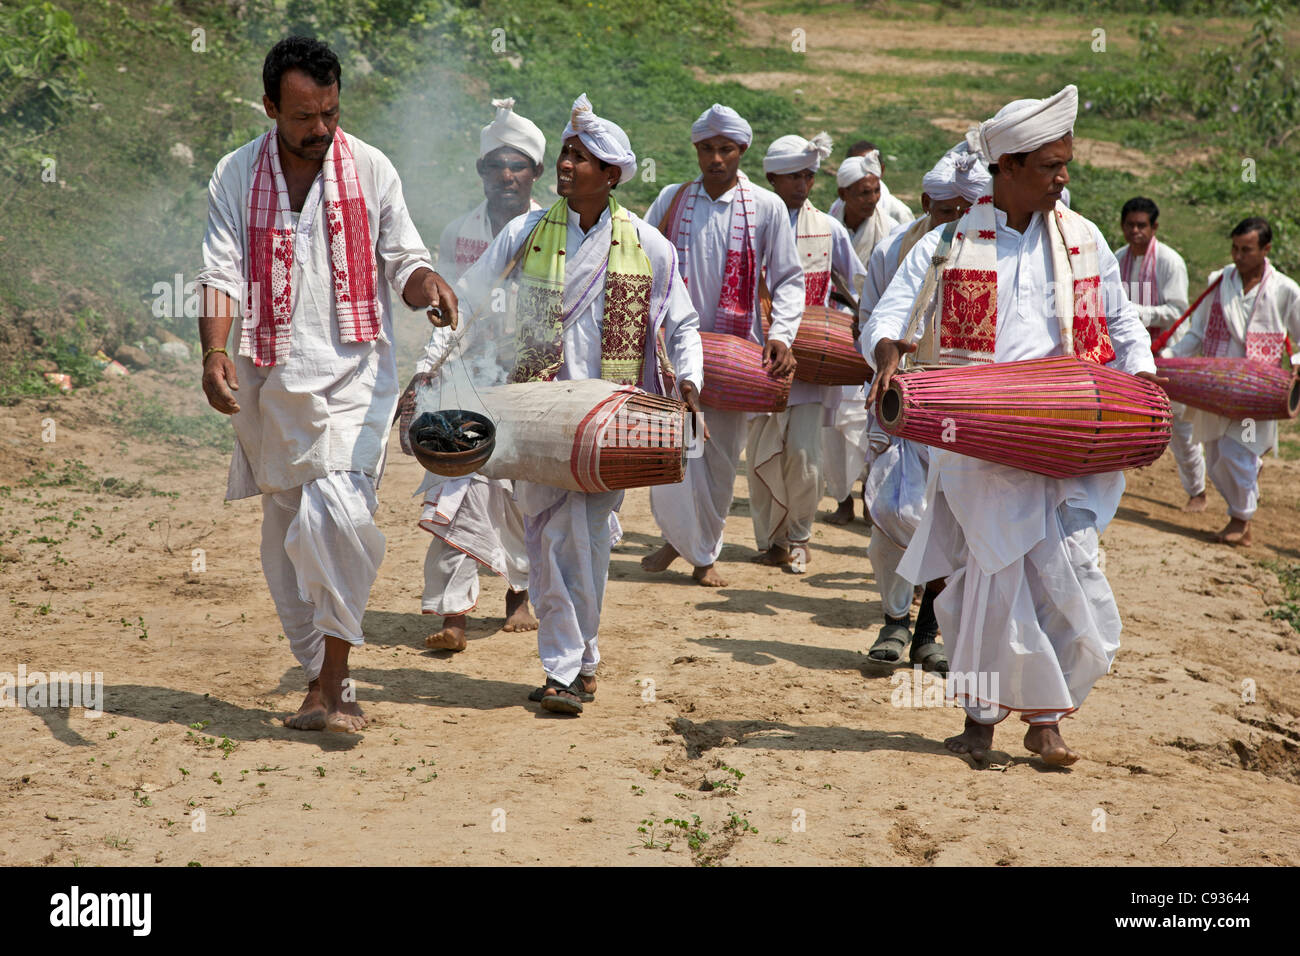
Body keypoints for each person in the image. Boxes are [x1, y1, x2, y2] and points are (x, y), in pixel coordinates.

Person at [866, 85, 1160, 766]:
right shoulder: (945, 245)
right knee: (983, 580)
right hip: (978, 441)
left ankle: (1047, 716)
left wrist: (1140, 374)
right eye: (1051, 166)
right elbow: (891, 313)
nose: (1064, 178)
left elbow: (1119, 322)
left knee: (1071, 570)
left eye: (1066, 164)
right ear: (1008, 168)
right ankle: (982, 719)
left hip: (1068, 439)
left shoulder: (1084, 238)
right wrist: (885, 351)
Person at [196, 36, 452, 732]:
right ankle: (318, 673)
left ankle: (335, 683)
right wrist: (214, 349)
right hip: (270, 387)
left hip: (355, 381)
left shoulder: (370, 167)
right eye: (304, 116)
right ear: (271, 106)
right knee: (287, 544)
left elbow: (405, 257)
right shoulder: (233, 172)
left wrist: (426, 284)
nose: (320, 130)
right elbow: (220, 273)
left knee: (335, 516)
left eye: (330, 113)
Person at [430, 94, 705, 713]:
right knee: (547, 537)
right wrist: (436, 351)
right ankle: (572, 668)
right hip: (535, 416)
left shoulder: (651, 247)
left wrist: (689, 381)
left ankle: (574, 665)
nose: (564, 165)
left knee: (585, 542)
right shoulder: (525, 233)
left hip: (611, 421)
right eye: (564, 153)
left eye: (579, 157)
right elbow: (470, 297)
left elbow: (682, 324)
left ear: (610, 175)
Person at [640, 104, 802, 587]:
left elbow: (789, 279)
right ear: (696, 149)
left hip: (735, 357)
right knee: (677, 450)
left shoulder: (766, 207)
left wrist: (780, 335)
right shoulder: (671, 200)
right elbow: (640, 257)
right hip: (675, 350)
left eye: (725, 149)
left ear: (741, 151)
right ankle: (684, 540)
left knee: (719, 458)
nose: (716, 159)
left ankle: (701, 552)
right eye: (707, 149)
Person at [411, 98, 547, 651]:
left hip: (531, 375)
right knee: (456, 481)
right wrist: (428, 371)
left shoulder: (551, 228)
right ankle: (454, 614)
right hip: (465, 375)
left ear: (536, 172)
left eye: (518, 165)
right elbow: (446, 307)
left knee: (520, 491)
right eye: (496, 165)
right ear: (482, 173)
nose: (507, 175)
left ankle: (520, 596)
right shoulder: (457, 232)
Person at [857, 141, 988, 670]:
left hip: (971, 410)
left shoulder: (999, 253)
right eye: (946, 210)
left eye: (966, 211)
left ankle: (930, 632)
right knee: (890, 510)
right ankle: (893, 620)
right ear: (927, 203)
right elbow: (873, 317)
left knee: (953, 518)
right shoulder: (904, 249)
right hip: (902, 401)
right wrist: (886, 357)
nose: (955, 220)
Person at [752, 132, 867, 571]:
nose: (802, 184)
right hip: (760, 360)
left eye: (808, 176)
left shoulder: (828, 228)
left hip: (811, 362)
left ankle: (800, 535)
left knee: (803, 455)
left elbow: (854, 284)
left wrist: (859, 327)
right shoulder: (753, 220)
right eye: (792, 176)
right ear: (772, 178)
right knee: (762, 451)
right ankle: (771, 541)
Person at [1169, 217, 1300, 546]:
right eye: (1234, 248)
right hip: (1215, 386)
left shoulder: (1285, 290)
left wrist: (1296, 367)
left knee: (1234, 452)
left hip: (1257, 392)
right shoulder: (1218, 282)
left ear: (1266, 249)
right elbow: (1196, 333)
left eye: (1247, 250)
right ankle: (1243, 507)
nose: (1238, 256)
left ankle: (1240, 520)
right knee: (1214, 459)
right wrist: (1167, 360)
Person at [822, 151, 900, 521]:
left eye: (874, 192)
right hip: (830, 331)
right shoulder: (827, 224)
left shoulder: (893, 225)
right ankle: (842, 499)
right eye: (862, 193)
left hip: (873, 334)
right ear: (843, 194)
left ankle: (871, 495)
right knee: (834, 424)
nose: (871, 200)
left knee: (866, 417)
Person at [1114, 197, 1203, 512]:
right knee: (1122, 417)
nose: (1135, 231)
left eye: (1142, 225)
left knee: (1179, 425)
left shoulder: (1169, 261)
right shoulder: (1116, 258)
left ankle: (1198, 491)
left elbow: (1178, 312)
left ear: (1154, 228)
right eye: (1130, 225)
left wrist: (1139, 314)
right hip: (1130, 353)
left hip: (1166, 353)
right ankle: (1112, 484)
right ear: (1122, 226)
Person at [828, 140, 914, 224]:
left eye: (876, 190)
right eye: (864, 192)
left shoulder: (898, 216)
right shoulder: (835, 213)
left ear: (881, 169)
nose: (872, 199)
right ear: (843, 194)